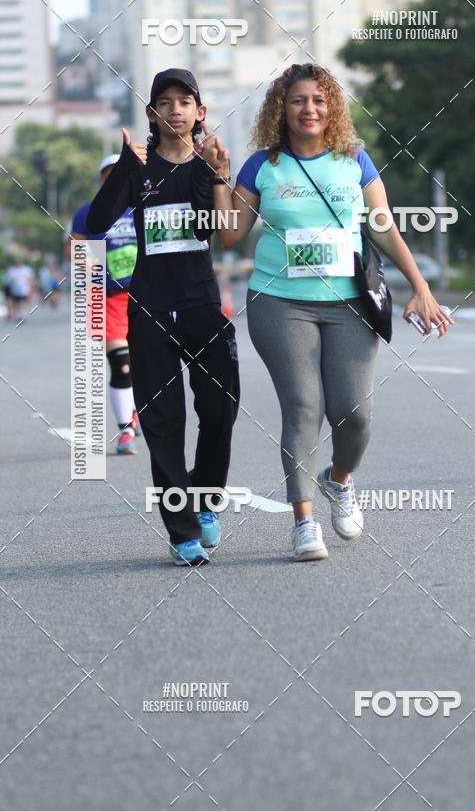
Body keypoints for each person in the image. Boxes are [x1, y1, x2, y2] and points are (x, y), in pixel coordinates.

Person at [201, 62, 452, 562]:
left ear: (331, 106)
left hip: (349, 302)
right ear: (282, 108)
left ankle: (339, 481)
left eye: (318, 100)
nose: (309, 108)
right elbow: (228, 235)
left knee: (354, 414)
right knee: (304, 405)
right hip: (279, 301)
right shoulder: (262, 167)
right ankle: (304, 522)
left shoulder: (355, 161)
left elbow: (383, 228)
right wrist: (218, 176)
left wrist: (420, 287)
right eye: (298, 100)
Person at [87, 68, 240, 566]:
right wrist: (126, 172)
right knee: (164, 420)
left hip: (201, 307)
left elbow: (223, 229)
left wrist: (220, 176)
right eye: (164, 102)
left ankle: (205, 500)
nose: (175, 109)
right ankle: (182, 532)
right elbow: (96, 223)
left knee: (219, 411)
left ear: (200, 112)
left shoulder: (207, 164)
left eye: (184, 101)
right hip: (150, 309)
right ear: (152, 114)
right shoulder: (139, 165)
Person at [66, 155, 140, 455]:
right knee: (121, 364)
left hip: (144, 296)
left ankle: (135, 408)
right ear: (102, 178)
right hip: (105, 297)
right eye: (110, 174)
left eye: (121, 173)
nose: (115, 178)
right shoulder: (88, 212)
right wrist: (90, 263)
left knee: (146, 364)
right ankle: (126, 432)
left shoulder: (141, 208)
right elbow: (73, 247)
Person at [4, 258, 35, 322]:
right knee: (16, 303)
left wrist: (30, 289)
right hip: (15, 290)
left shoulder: (26, 270)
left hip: (24, 290)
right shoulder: (12, 270)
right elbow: (9, 280)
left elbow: (30, 280)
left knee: (23, 302)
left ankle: (22, 315)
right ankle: (18, 315)